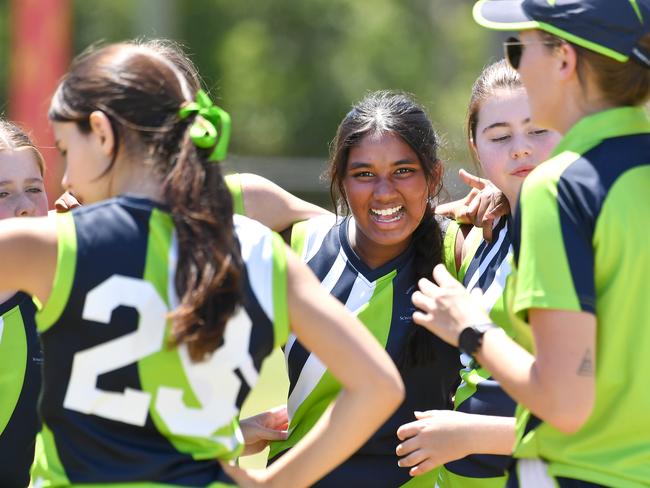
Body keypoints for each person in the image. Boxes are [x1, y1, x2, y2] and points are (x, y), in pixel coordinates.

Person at [0, 40, 404, 487]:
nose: (68, 178)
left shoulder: (54, 245)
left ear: (102, 133)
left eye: (67, 148)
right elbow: (379, 385)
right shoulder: (261, 252)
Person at [411, 1, 650, 486]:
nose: (515, 63)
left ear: (563, 60)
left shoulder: (559, 189)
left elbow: (564, 402)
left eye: (520, 47)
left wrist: (470, 328)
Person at [226, 90, 464, 487]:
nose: (384, 192)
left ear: (434, 176)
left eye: (403, 171)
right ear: (340, 178)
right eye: (364, 174)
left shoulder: (461, 250)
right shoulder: (299, 245)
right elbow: (160, 206)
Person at [395, 60, 560, 487]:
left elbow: (609, 415)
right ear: (475, 147)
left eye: (538, 129)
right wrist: (461, 209)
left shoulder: (589, 236)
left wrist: (470, 434)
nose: (520, 148)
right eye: (500, 136)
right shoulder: (485, 234)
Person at [0, 120, 49, 487]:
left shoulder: (61, 304)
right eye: (2, 194)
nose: (24, 208)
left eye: (34, 189)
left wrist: (234, 435)